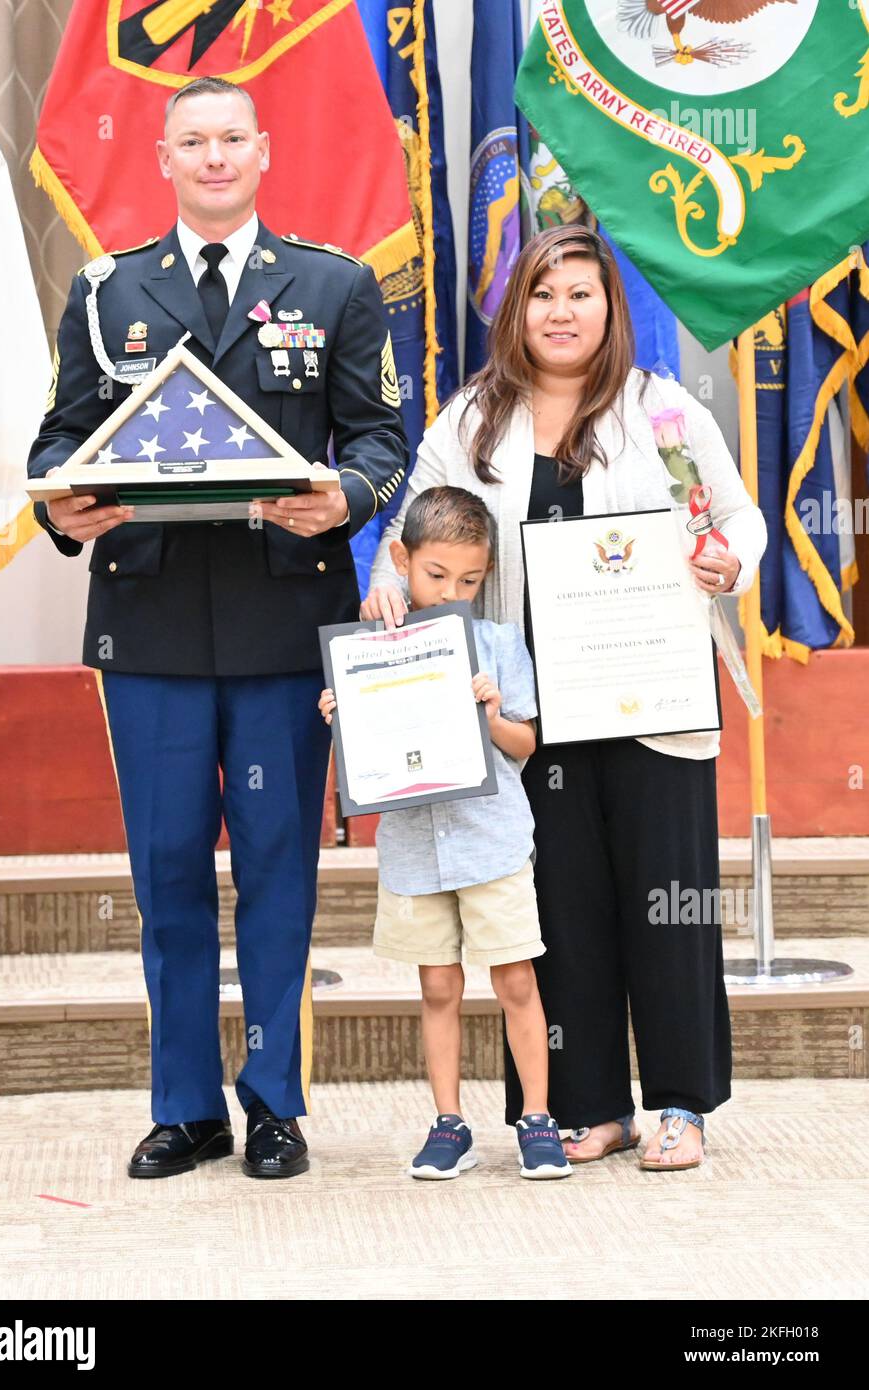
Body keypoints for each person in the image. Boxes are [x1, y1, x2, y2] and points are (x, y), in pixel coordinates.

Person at [27, 76, 408, 1180]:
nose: (211, 157)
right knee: (167, 874)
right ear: (162, 158)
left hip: (285, 625)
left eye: (229, 138)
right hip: (147, 630)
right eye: (190, 141)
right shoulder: (107, 293)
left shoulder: (334, 286)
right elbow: (64, 444)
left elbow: (380, 439)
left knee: (281, 872)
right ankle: (186, 1103)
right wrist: (61, 498)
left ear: (263, 151)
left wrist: (346, 498)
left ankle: (275, 1102)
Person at [363, 225, 767, 1172]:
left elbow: (738, 515)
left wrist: (725, 561)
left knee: (665, 900)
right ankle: (584, 1101)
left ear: (608, 308)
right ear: (516, 310)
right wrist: (386, 580)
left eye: (579, 293)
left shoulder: (661, 412)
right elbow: (409, 532)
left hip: (648, 697)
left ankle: (677, 1103)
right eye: (542, 294)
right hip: (519, 715)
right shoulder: (467, 423)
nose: (560, 311)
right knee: (558, 908)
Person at [319, 487, 570, 1180]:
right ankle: (447, 1123)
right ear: (400, 559)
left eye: (468, 579)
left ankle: (537, 1120)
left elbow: (525, 743)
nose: (451, 591)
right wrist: (342, 710)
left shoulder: (495, 644)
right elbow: (363, 754)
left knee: (516, 979)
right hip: (412, 848)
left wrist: (488, 711)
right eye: (435, 575)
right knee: (437, 986)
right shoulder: (368, 647)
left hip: (490, 842)